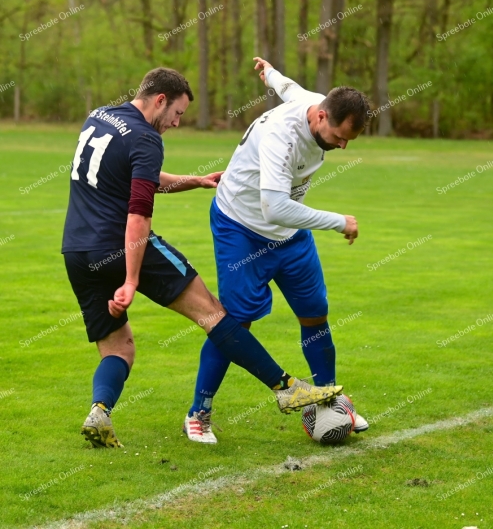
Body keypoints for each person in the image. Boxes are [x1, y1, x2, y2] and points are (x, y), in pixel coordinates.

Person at [62, 67, 342, 448]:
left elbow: (137, 176)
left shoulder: (99, 116)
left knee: (119, 347)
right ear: (160, 99)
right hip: (121, 246)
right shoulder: (146, 138)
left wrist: (193, 181)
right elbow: (139, 215)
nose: (177, 123)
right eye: (177, 113)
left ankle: (100, 411)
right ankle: (286, 388)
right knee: (214, 313)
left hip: (77, 252)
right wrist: (130, 279)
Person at [182, 57, 370, 444]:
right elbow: (275, 206)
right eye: (339, 137)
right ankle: (198, 412)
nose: (343, 145)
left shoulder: (316, 103)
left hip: (291, 234)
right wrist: (339, 221)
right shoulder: (280, 139)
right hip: (242, 228)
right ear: (320, 117)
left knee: (315, 314)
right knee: (233, 323)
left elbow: (290, 89)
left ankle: (330, 401)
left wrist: (270, 74)